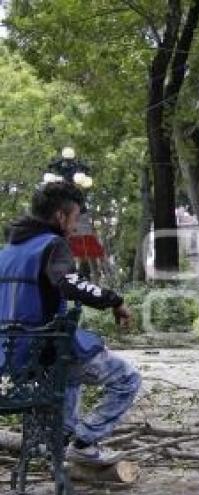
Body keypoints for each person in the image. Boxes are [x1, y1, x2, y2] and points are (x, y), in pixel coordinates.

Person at [0, 181, 140, 464]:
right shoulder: (53, 246)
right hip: (45, 351)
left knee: (71, 371)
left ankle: (59, 441)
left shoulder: (6, 252)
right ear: (61, 216)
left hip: (11, 357)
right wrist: (114, 300)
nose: (75, 227)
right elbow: (69, 283)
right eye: (75, 218)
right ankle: (84, 442)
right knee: (127, 379)